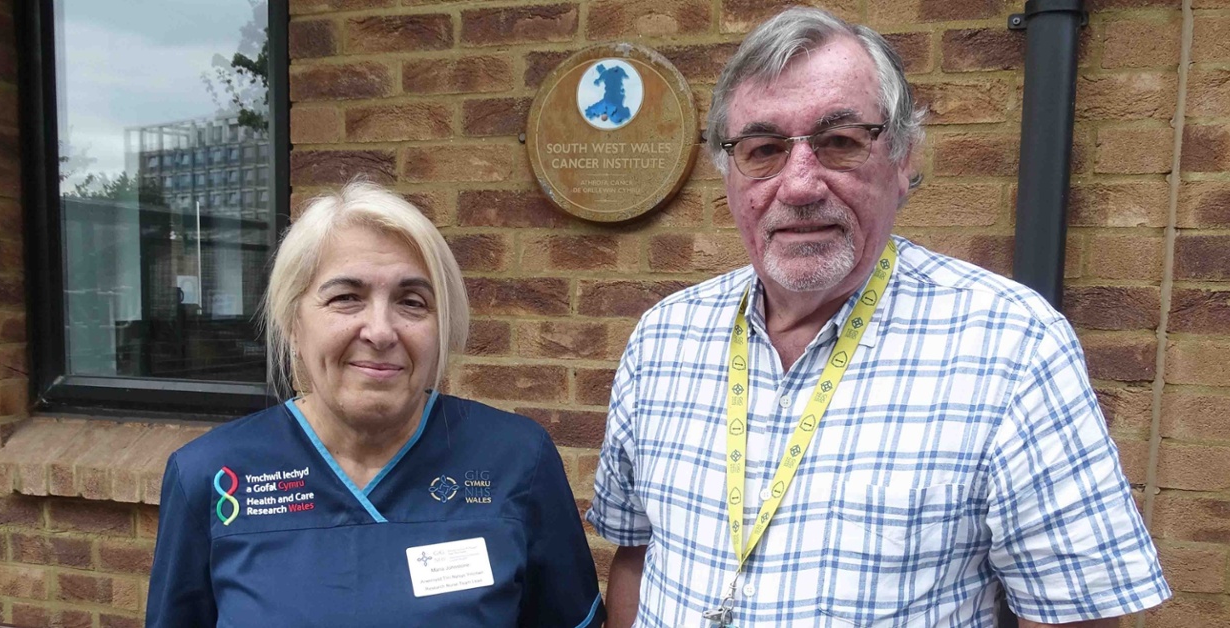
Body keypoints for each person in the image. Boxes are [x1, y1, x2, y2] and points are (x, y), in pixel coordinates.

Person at [587, 8, 1170, 628]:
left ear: (903, 158)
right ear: (729, 173)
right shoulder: (662, 339)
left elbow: (1072, 614)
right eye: (763, 150)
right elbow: (637, 554)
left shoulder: (1013, 345)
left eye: (840, 142)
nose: (801, 184)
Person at [147, 181, 604, 628]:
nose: (381, 331)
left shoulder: (518, 460)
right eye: (346, 297)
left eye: (412, 302)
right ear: (292, 322)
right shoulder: (209, 477)